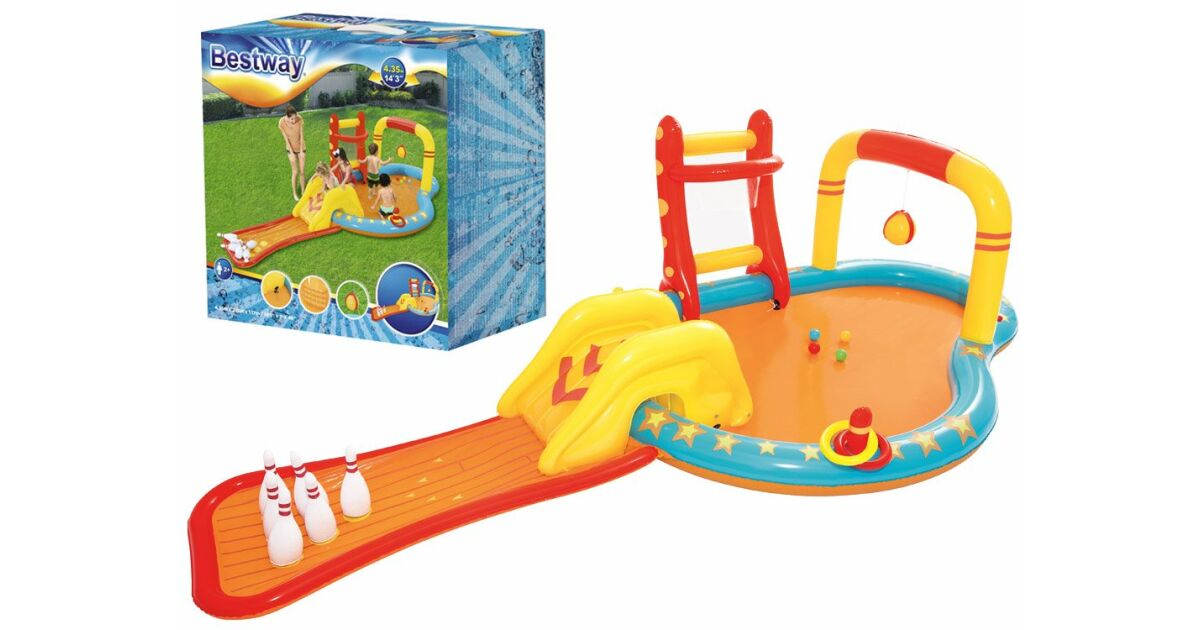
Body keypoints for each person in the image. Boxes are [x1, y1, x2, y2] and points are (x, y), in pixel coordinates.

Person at [278, 106, 306, 200]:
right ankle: (295, 194)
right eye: (292, 119)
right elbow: (286, 139)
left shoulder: (300, 119)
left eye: (295, 118)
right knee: (295, 171)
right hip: (290, 149)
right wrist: (292, 153)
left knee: (302, 171)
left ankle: (303, 192)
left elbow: (301, 135)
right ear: (287, 116)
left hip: (301, 147)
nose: (294, 120)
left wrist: (301, 151)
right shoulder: (281, 122)